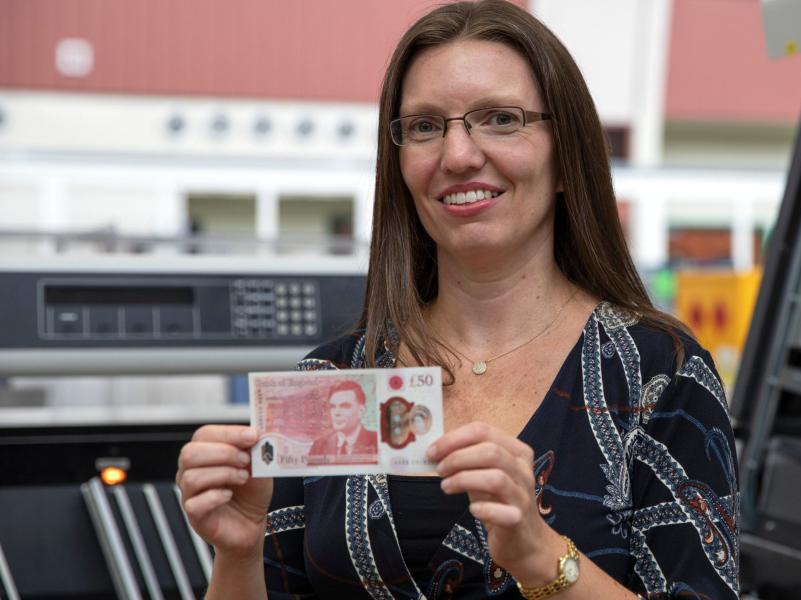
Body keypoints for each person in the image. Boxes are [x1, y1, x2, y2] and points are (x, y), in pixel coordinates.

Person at [175, 1, 739, 598]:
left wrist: (540, 554)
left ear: (566, 157)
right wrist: (236, 554)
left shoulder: (657, 376)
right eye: (424, 126)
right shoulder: (331, 380)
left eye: (500, 118)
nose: (459, 155)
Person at [307, 380, 377, 458]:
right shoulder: (319, 446)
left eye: (345, 406)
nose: (336, 413)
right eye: (333, 407)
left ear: (361, 411)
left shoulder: (376, 441)